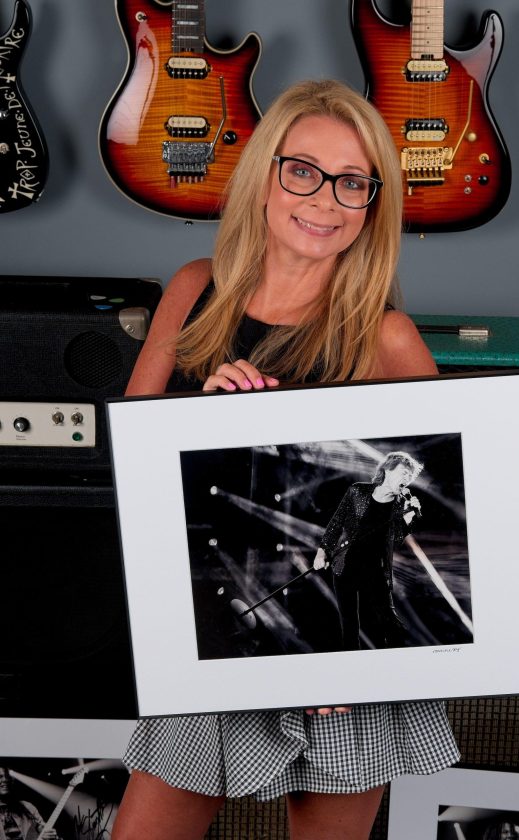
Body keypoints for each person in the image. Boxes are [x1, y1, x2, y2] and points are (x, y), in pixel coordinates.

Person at [112, 78, 459, 840]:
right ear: (264, 176)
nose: (325, 200)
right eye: (303, 171)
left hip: (340, 665)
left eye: (352, 182)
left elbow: (440, 526)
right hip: (213, 630)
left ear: (372, 205)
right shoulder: (193, 292)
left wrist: (356, 654)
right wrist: (204, 421)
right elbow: (132, 467)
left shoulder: (387, 339)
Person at [313, 450, 423, 650]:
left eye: (410, 476)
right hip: (345, 566)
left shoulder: (401, 506)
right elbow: (336, 524)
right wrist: (322, 552)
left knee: (389, 625)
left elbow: (394, 540)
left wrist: (409, 519)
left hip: (375, 572)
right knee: (350, 628)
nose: (407, 479)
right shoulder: (357, 491)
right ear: (388, 470)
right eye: (404, 473)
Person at [0, 765, 61, 840]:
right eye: (0, 777)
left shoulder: (27, 807)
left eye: (7, 776)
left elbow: (42, 829)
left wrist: (47, 834)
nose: (5, 780)